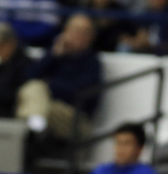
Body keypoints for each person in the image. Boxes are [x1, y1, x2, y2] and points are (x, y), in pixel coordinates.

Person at [19, 14, 104, 164]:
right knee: (34, 89)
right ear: (65, 31)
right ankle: (36, 126)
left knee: (36, 96)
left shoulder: (92, 62)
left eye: (85, 32)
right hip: (47, 108)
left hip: (75, 118)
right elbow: (28, 77)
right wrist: (54, 55)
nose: (79, 35)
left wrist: (49, 85)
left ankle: (34, 129)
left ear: (91, 37)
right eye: (75, 30)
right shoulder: (55, 55)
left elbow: (83, 95)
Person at [91, 123, 157, 174]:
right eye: (118, 143)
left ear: (140, 147)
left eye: (127, 143)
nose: (121, 148)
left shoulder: (146, 172)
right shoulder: (101, 170)